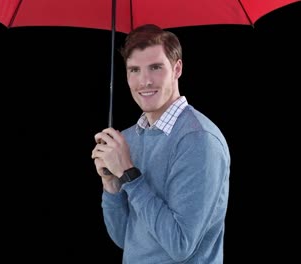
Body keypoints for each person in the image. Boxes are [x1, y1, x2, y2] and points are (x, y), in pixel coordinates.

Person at [91, 24, 231, 263]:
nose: (144, 81)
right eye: (134, 70)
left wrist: (129, 174)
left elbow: (180, 245)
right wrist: (112, 184)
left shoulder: (198, 140)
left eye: (155, 67)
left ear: (177, 69)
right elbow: (125, 238)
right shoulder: (128, 140)